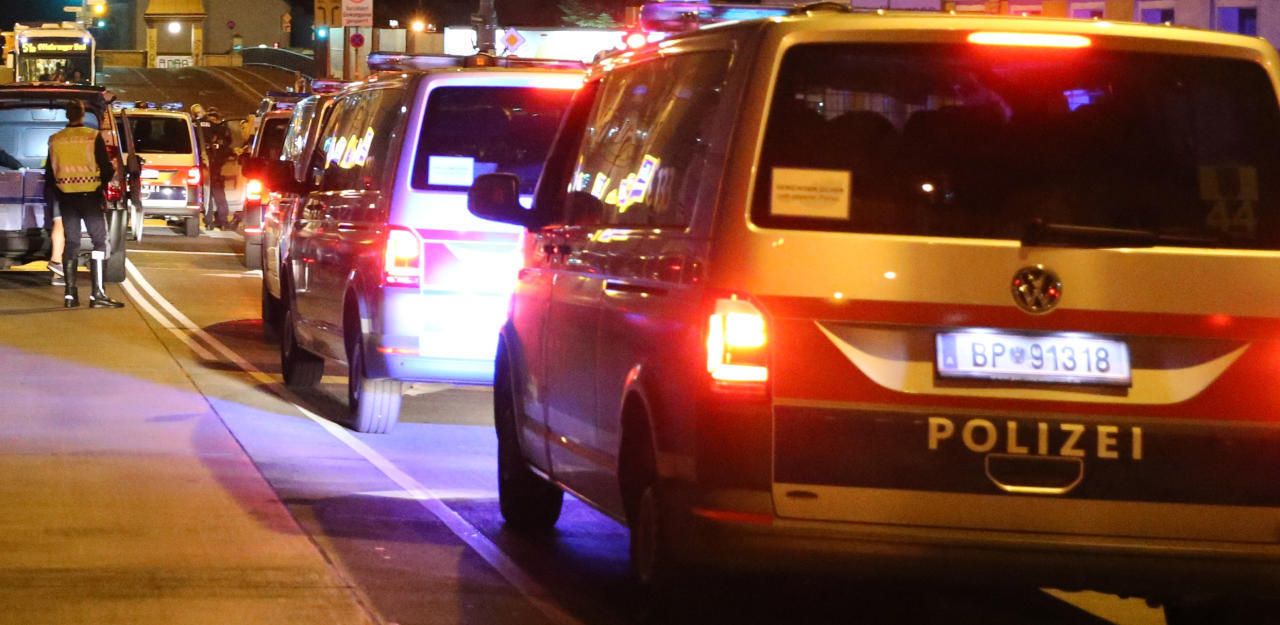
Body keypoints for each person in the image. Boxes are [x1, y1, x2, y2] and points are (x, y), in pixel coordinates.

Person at [44, 100, 123, 309]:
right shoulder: (92, 136)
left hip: (66, 198)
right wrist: (100, 187)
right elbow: (106, 169)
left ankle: (70, 295)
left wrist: (61, 191)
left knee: (72, 243)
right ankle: (98, 294)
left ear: (67, 115)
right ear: (82, 114)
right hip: (90, 197)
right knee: (99, 242)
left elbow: (49, 174)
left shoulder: (55, 140)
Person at [204, 108, 233, 229]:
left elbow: (228, 151)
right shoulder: (205, 139)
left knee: (217, 197)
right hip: (208, 171)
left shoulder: (222, 141)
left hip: (215, 172)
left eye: (214, 119)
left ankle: (221, 220)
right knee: (209, 197)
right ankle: (211, 220)